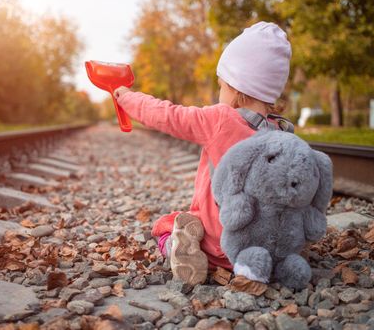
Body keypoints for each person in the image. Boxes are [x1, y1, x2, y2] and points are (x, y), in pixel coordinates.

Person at [113, 21, 292, 285]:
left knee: (167, 224)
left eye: (221, 85)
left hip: (220, 242)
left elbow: (167, 115)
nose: (220, 91)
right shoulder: (283, 132)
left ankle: (178, 247)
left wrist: (126, 97)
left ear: (235, 89)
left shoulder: (220, 120)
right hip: (265, 246)